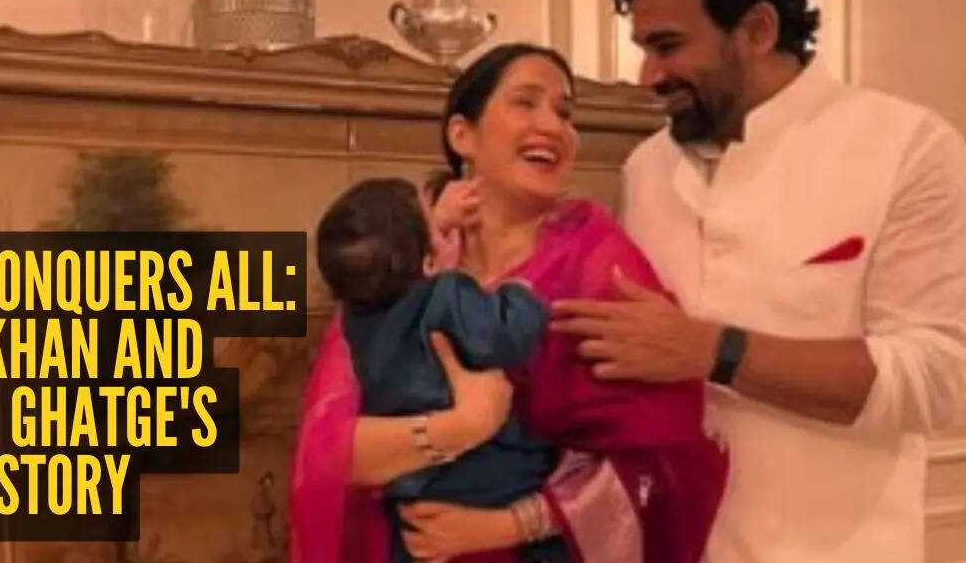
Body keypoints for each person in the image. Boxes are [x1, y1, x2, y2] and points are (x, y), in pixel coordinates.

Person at [550, 0, 966, 562]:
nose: (648, 75)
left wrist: (717, 351)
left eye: (668, 45)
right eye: (643, 47)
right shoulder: (646, 168)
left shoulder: (909, 148)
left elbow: (938, 379)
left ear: (758, 29)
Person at [289, 43, 728, 563]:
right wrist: (462, 426)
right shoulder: (404, 255)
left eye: (565, 113)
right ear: (462, 135)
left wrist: (507, 525)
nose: (553, 125)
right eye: (526, 102)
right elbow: (329, 450)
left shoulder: (595, 261)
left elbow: (658, 452)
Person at [314, 177, 561, 563]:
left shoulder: (355, 324)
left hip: (409, 490)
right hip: (486, 474)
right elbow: (503, 335)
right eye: (433, 217)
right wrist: (520, 293)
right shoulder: (447, 294)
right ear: (428, 259)